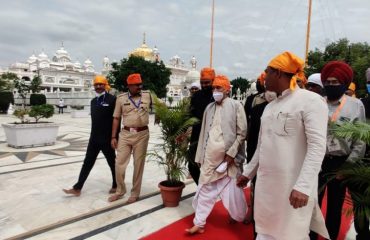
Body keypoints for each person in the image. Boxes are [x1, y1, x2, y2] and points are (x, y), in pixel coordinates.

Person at [237, 51, 330, 240]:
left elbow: (317, 146)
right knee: (265, 231)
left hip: (293, 188)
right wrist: (248, 173)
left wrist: (303, 186)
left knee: (292, 234)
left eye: (268, 72)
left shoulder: (310, 101)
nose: (264, 77)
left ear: (278, 73)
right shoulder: (270, 107)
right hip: (267, 188)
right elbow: (263, 146)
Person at [186, 75, 247, 234]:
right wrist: (199, 156)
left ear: (227, 89)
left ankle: (237, 215)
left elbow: (242, 133)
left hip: (228, 161)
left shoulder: (236, 106)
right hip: (210, 160)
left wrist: (231, 155)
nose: (215, 91)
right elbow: (203, 134)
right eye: (213, 88)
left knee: (233, 192)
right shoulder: (209, 108)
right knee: (205, 189)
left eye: (218, 88)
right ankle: (199, 223)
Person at [313, 61, 367, 240]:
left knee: (335, 207)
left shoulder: (355, 105)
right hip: (317, 160)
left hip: (341, 162)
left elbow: (360, 139)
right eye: (327, 82)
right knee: (313, 204)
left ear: (344, 83)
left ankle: (331, 237)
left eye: (335, 82)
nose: (330, 85)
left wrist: (347, 167)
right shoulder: (317, 103)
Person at [63, 75, 117, 196]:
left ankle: (116, 184)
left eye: (101, 84)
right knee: (87, 162)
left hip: (107, 139)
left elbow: (116, 120)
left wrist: (115, 137)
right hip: (94, 139)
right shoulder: (93, 101)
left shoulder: (112, 99)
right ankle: (78, 188)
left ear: (105, 85)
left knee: (112, 163)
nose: (98, 86)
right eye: (96, 84)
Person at [109, 73, 152, 203]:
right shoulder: (121, 99)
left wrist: (160, 117)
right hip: (125, 134)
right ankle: (120, 191)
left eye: (140, 84)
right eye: (137, 85)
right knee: (119, 164)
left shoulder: (147, 95)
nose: (140, 87)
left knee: (138, 165)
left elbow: (160, 106)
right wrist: (113, 137)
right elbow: (116, 118)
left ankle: (135, 193)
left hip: (142, 134)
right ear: (129, 86)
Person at [188, 67, 215, 185]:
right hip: (196, 136)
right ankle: (202, 189)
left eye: (207, 83)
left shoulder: (217, 96)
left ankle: (208, 193)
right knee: (192, 165)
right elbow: (190, 116)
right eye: (202, 83)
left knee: (209, 168)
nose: (204, 85)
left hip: (213, 138)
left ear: (213, 81)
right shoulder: (196, 96)